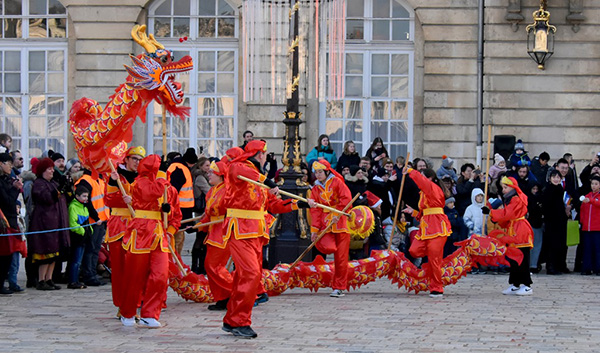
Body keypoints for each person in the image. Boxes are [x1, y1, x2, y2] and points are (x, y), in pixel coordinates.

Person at [219, 140, 280, 338]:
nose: (265, 157)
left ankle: (232, 319)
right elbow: (243, 172)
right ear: (259, 154)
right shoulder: (240, 167)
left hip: (255, 232)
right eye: (264, 153)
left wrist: (300, 204)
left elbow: (275, 205)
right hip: (239, 231)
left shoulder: (259, 180)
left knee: (244, 276)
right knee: (251, 274)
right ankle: (241, 321)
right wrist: (268, 181)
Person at [120, 154, 181, 328]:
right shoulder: (140, 182)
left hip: (158, 233)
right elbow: (150, 193)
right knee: (135, 276)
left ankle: (150, 313)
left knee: (160, 275)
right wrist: (162, 176)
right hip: (140, 231)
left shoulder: (167, 187)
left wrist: (168, 221)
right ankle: (128, 312)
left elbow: (175, 214)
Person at [104, 146, 144, 315]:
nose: (137, 162)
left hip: (139, 226)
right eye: (134, 159)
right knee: (120, 268)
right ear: (126, 159)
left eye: (140, 160)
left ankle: (137, 299)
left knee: (138, 267)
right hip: (119, 226)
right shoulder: (116, 177)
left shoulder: (144, 178)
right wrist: (115, 184)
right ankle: (122, 303)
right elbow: (108, 200)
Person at [402, 167, 451, 298]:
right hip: (426, 227)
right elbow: (426, 213)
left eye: (424, 176)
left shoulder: (432, 187)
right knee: (414, 250)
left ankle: (437, 287)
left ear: (429, 178)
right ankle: (430, 272)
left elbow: (420, 181)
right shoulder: (425, 192)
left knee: (435, 259)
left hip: (437, 228)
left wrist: (411, 171)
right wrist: (413, 212)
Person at [308, 160, 352, 297]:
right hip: (325, 225)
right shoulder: (315, 189)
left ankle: (339, 287)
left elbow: (347, 200)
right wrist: (314, 230)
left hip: (341, 224)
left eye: (320, 172)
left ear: (327, 171)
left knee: (341, 257)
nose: (318, 175)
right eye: (316, 172)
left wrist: (338, 214)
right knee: (328, 247)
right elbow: (315, 212)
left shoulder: (337, 183)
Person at [483, 176, 534, 295]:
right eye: (503, 187)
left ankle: (527, 285)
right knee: (514, 259)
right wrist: (495, 218)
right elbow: (507, 217)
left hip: (520, 231)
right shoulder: (510, 199)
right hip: (514, 229)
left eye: (505, 187)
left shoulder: (515, 199)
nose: (504, 190)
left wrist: (492, 213)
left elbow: (508, 214)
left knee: (522, 258)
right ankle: (515, 284)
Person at [28, 157, 69, 290]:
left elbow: (61, 197)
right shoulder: (39, 183)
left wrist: (64, 187)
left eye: (52, 168)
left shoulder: (52, 183)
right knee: (45, 253)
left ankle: (49, 278)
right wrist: (58, 190)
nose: (52, 171)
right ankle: (41, 279)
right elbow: (46, 198)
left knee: (53, 254)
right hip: (44, 222)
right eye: (49, 169)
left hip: (54, 222)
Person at [75, 168, 109, 286]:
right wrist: (96, 217)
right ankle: (88, 274)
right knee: (90, 249)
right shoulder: (85, 180)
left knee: (95, 249)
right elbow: (87, 201)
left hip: (101, 220)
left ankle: (93, 273)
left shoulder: (99, 179)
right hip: (92, 221)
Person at [0, 153, 24, 294]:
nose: (10, 166)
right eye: (8, 163)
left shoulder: (8, 179)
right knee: (3, 255)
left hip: (10, 220)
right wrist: (15, 189)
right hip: (3, 221)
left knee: (9, 255)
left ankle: (4, 282)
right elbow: (7, 201)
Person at [167, 147, 197, 255]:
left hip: (181, 208)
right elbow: (174, 191)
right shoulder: (179, 169)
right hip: (178, 209)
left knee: (179, 238)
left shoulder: (179, 167)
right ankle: (175, 262)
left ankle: (177, 262)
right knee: (177, 239)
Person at [67, 184, 91, 289]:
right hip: (77, 237)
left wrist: (90, 231)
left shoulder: (84, 206)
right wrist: (82, 231)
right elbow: (73, 224)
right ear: (77, 196)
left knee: (79, 260)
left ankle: (76, 280)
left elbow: (87, 220)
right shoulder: (73, 206)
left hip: (84, 237)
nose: (86, 198)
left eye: (87, 196)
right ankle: (72, 281)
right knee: (75, 261)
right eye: (84, 196)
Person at [580, 175, 600, 275]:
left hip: (597, 228)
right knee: (587, 249)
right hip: (587, 228)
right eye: (592, 184)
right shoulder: (587, 195)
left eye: (596, 184)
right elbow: (583, 210)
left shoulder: (596, 197)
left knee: (597, 250)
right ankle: (587, 268)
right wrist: (582, 222)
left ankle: (598, 268)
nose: (594, 186)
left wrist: (591, 201)